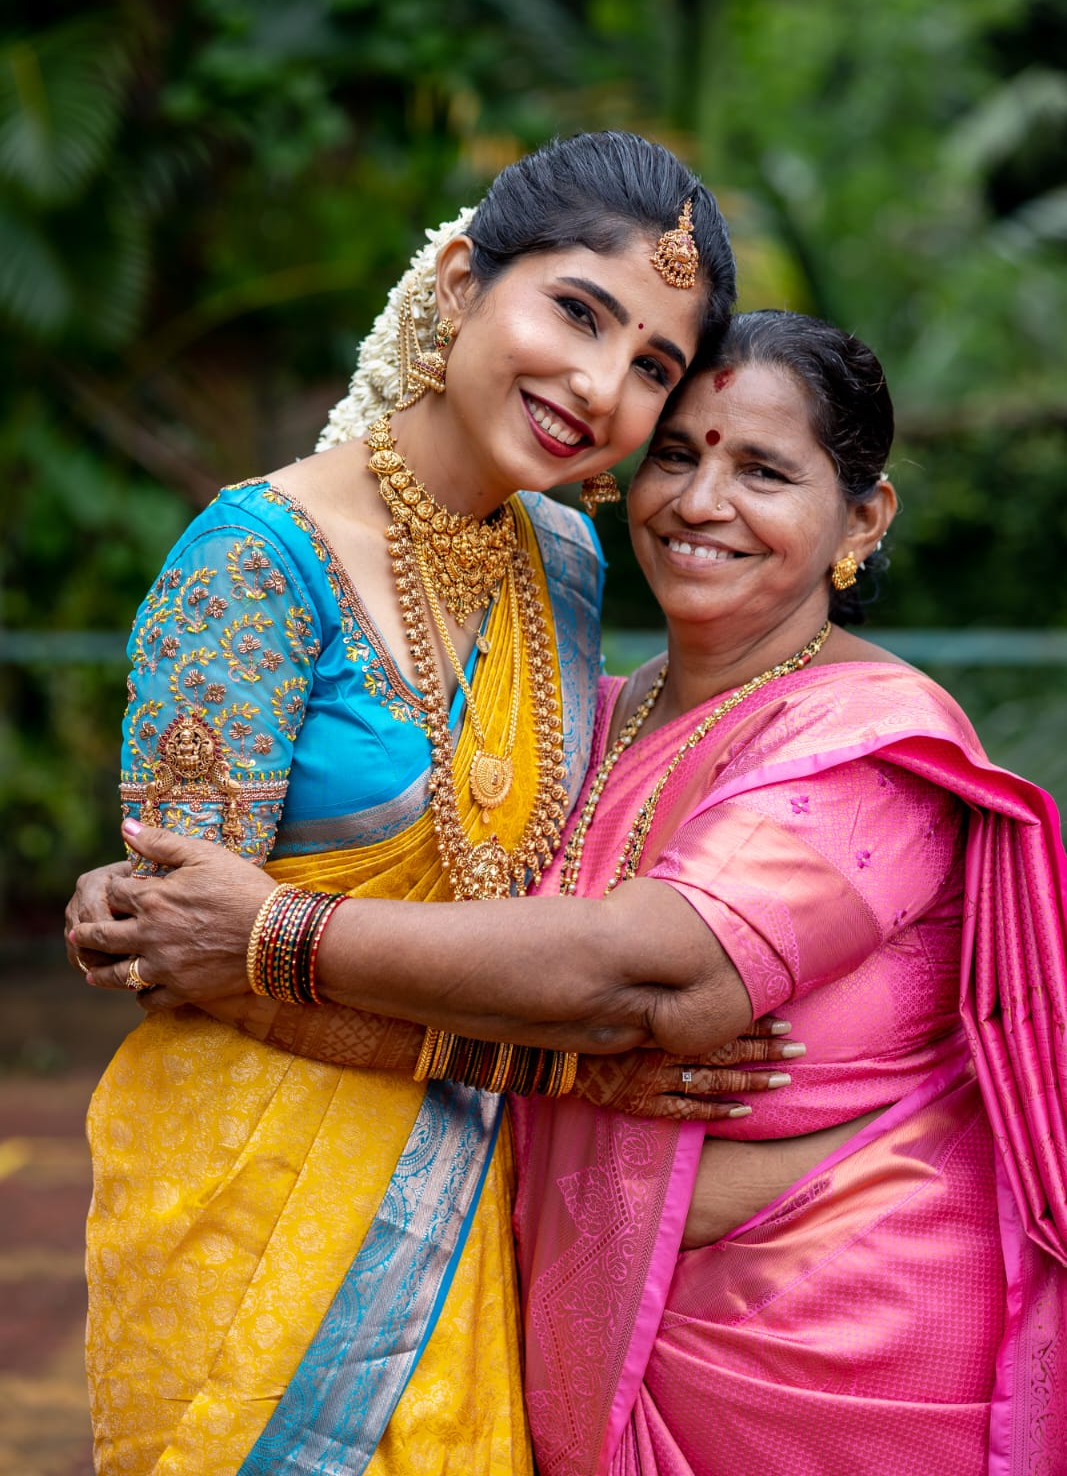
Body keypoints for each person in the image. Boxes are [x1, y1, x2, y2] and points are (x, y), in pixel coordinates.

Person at [75, 310, 1067, 1475]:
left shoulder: (870, 746)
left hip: (835, 1362)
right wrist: (176, 901)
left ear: (862, 515)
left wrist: (270, 934)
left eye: (761, 470)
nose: (700, 501)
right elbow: (438, 921)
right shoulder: (587, 715)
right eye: (676, 454)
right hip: (572, 1346)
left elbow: (651, 971)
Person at [68, 131, 799, 1476]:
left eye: (650, 365)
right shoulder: (247, 565)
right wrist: (562, 1064)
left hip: (476, 1211)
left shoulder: (566, 561)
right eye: (575, 312)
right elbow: (182, 961)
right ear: (461, 281)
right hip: (248, 1203)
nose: (598, 385)